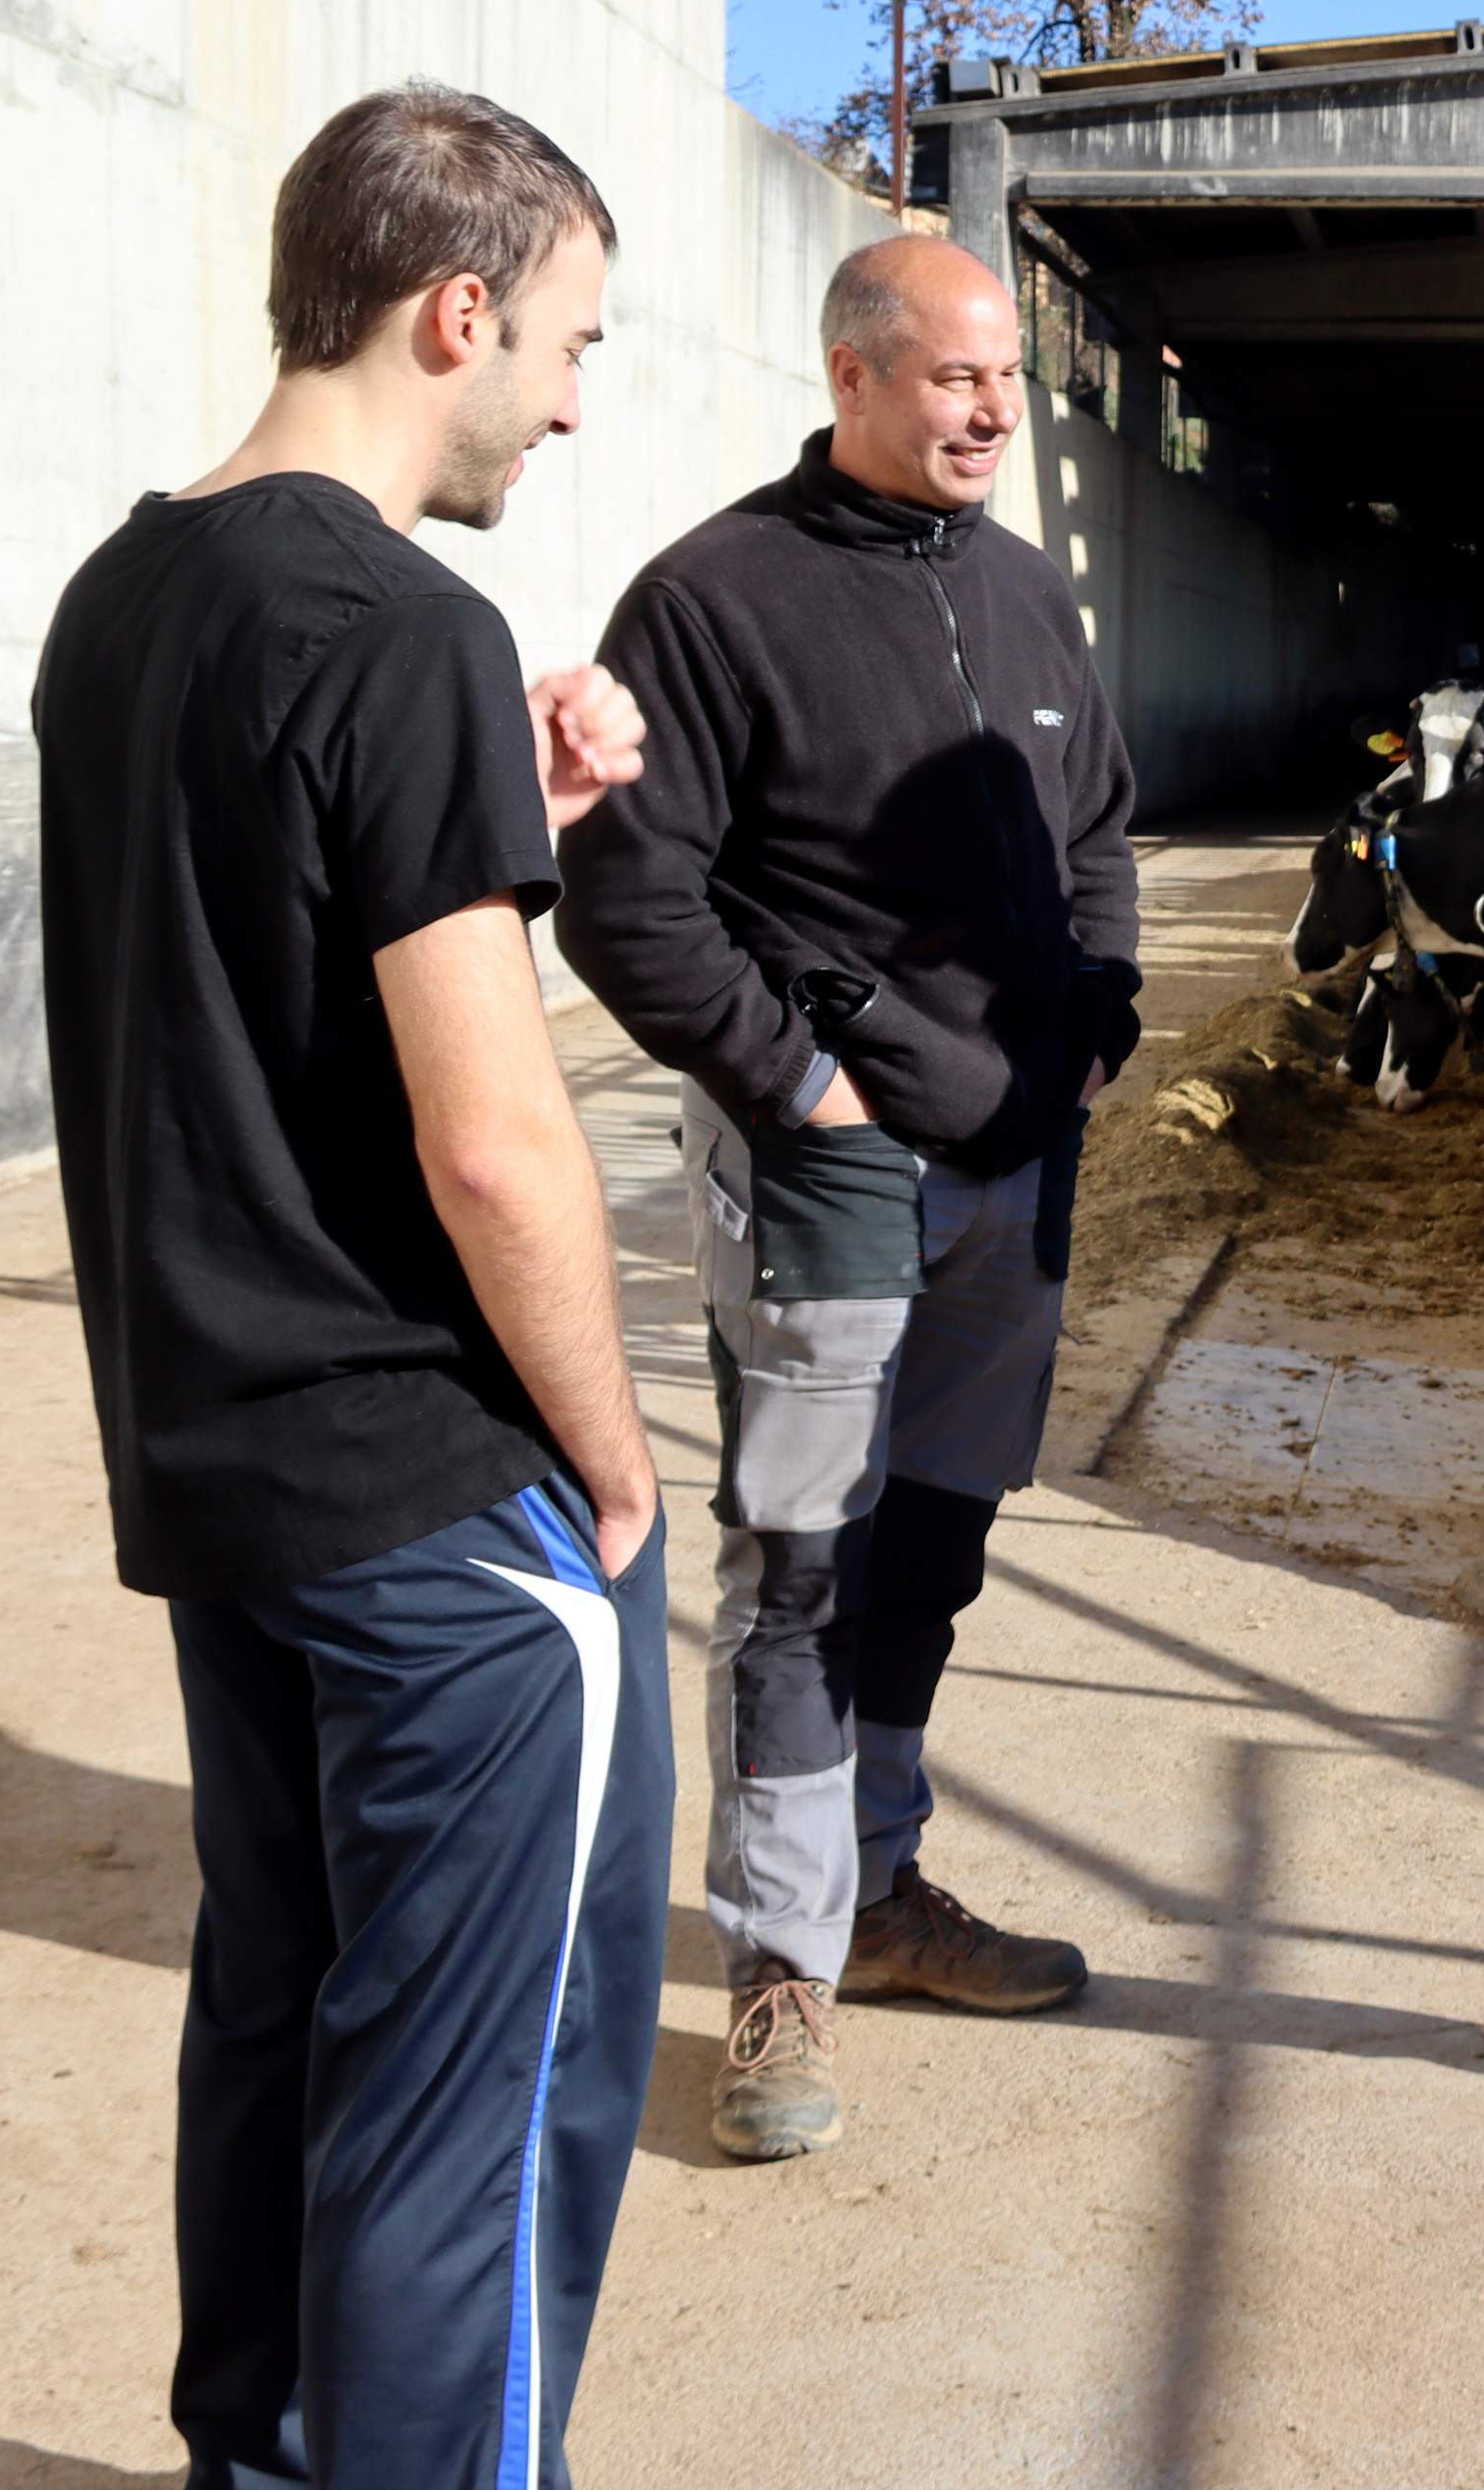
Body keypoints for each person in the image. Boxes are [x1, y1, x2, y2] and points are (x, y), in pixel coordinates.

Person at [35, 83, 668, 2487]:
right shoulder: (404, 620)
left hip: (222, 1475)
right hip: (434, 1497)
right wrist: (609, 1464)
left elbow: (245, 963)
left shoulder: (124, 596)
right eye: (573, 343)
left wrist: (520, 823)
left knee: (284, 2024)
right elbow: (491, 1137)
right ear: (459, 307)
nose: (578, 403)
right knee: (473, 2113)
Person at [556, 232, 1141, 2164]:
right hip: (836, 1171)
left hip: (1015, 1171)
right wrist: (801, 1088)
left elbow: (1103, 834)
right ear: (854, 375)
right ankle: (780, 1960)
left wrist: (1107, 1014)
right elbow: (635, 898)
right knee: (801, 1557)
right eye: (956, 377)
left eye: (1005, 385)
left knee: (940, 1540)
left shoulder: (1032, 597)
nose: (990, 411)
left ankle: (881, 1892)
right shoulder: (718, 600)